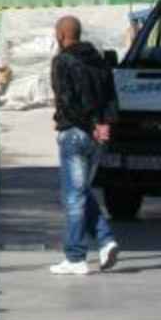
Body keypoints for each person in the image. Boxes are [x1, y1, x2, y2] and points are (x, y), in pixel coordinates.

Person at [49, 15, 121, 276]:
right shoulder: (99, 61)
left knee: (73, 196)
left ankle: (76, 256)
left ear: (61, 36)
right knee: (79, 191)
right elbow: (112, 98)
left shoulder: (62, 61)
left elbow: (67, 102)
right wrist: (104, 124)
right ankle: (105, 240)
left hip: (74, 133)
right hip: (97, 137)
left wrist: (87, 124)